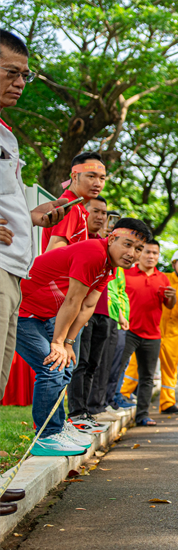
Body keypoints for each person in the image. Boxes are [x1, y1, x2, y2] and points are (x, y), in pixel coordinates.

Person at [17, 219, 149, 454]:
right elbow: (73, 300)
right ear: (112, 239)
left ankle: (56, 428)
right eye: (127, 244)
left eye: (138, 249)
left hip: (42, 315)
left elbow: (88, 306)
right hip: (21, 310)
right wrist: (58, 343)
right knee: (51, 367)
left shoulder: (108, 267)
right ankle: (46, 437)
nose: (132, 253)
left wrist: (68, 343)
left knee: (65, 366)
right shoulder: (92, 253)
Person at [0, 29, 74, 410]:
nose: (20, 83)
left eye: (25, 75)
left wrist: (30, 218)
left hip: (13, 271)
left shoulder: (5, 134)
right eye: (11, 72)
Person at [68, 197, 116, 429]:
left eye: (104, 213)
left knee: (93, 364)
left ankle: (85, 411)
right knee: (81, 362)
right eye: (95, 211)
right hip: (81, 311)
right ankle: (76, 412)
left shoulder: (108, 244)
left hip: (104, 312)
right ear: (83, 213)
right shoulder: (77, 239)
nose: (100, 217)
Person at [120, 236, 176, 426]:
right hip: (128, 331)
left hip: (152, 335)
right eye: (147, 252)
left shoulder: (162, 278)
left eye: (155, 253)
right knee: (117, 369)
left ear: (158, 256)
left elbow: (169, 305)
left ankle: (142, 415)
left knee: (147, 377)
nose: (151, 256)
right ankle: (110, 403)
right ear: (140, 253)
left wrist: (173, 298)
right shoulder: (125, 273)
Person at [42, 151, 106, 254]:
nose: (97, 183)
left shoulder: (76, 207)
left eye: (102, 178)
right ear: (75, 177)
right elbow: (53, 256)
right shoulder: (71, 208)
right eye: (91, 176)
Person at [102, 261, 133, 411]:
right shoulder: (110, 264)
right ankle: (105, 402)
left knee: (118, 364)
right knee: (107, 365)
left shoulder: (121, 268)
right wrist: (120, 315)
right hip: (111, 316)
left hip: (119, 320)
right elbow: (110, 293)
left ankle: (111, 400)